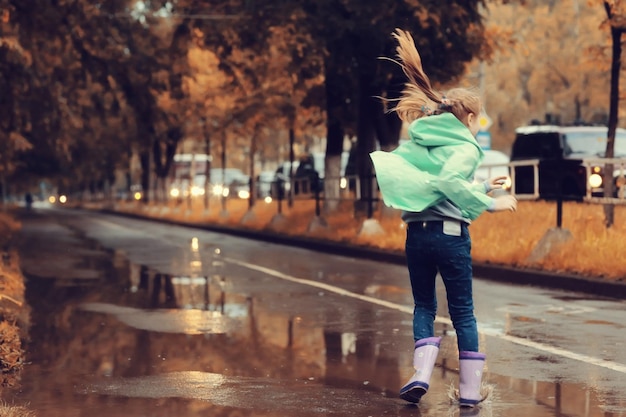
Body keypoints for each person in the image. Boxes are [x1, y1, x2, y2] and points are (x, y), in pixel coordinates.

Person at [370, 29, 517, 407]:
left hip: (417, 235)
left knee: (423, 306)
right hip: (451, 238)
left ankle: (421, 375)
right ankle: (469, 392)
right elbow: (451, 181)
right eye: (477, 119)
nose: (477, 126)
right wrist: (491, 203)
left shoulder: (422, 142)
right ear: (466, 117)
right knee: (464, 314)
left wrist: (483, 186)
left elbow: (435, 184)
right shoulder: (464, 148)